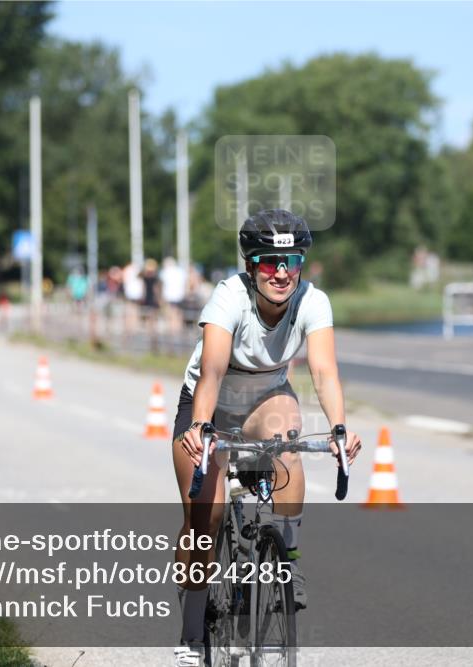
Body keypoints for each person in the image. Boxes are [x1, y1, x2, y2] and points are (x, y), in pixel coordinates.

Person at [170, 209, 362, 665]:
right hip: (209, 402)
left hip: (265, 398)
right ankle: (193, 632)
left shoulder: (313, 301)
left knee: (288, 441)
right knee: (206, 520)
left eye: (291, 262)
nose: (281, 273)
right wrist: (200, 427)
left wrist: (339, 428)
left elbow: (324, 370)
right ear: (251, 265)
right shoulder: (227, 298)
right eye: (268, 263)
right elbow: (212, 371)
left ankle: (285, 558)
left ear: (301, 264)